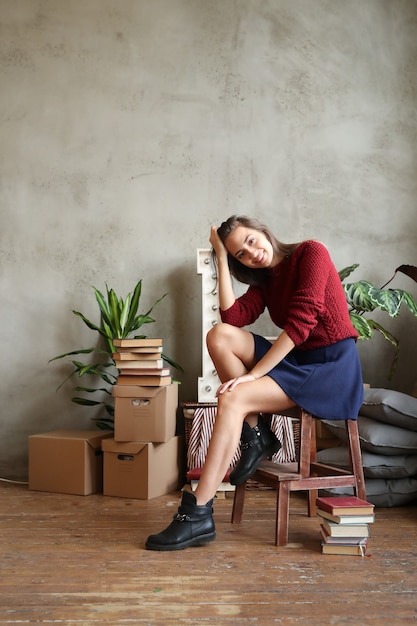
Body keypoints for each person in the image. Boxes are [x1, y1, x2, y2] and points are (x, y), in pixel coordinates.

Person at [146, 215, 363, 551]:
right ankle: (256, 434)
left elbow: (301, 324)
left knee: (234, 398)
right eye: (240, 256)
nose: (251, 253)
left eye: (250, 241)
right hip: (297, 363)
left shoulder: (311, 253)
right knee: (219, 336)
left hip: (331, 372)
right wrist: (221, 256)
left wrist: (254, 374)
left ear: (262, 230)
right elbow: (232, 318)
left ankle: (197, 512)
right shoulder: (265, 281)